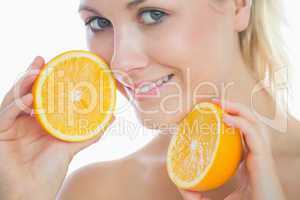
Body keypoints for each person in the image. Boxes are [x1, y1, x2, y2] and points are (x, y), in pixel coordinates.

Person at [0, 0, 299, 199]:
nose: (120, 62)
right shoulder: (96, 191)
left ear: (237, 5)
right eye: (99, 24)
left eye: (153, 14)